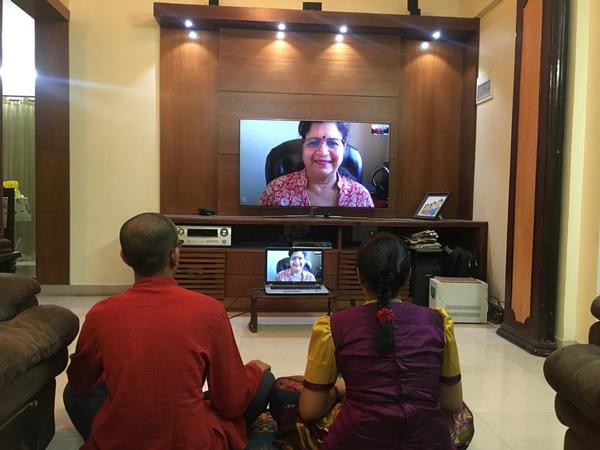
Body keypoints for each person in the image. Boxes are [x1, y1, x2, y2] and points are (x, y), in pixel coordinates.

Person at [64, 213, 274, 450]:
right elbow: (231, 402)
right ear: (175, 255)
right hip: (191, 442)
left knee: (72, 394)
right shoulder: (209, 310)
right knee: (264, 379)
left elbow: (79, 383)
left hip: (119, 440)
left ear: (124, 257)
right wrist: (255, 370)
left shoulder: (100, 313)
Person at [270, 232, 466, 450]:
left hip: (355, 440)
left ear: (358, 274)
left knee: (282, 391)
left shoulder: (333, 326)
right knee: (464, 414)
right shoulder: (438, 322)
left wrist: (340, 389)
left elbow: (309, 410)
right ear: (408, 274)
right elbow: (453, 403)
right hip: (430, 441)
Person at [259, 121, 375, 207]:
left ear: (344, 148)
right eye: (313, 142)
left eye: (332, 143)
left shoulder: (361, 197)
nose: (323, 152)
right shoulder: (275, 191)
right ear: (303, 147)